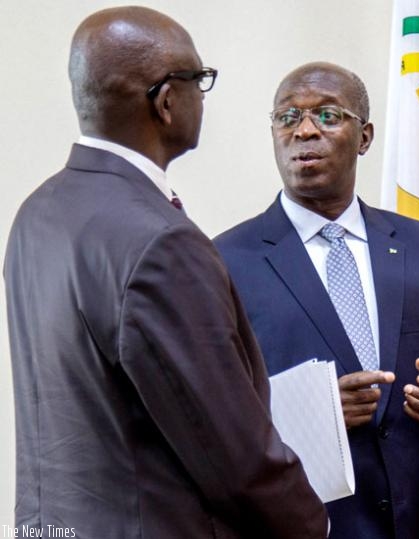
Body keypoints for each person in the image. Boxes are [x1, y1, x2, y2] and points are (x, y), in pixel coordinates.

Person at [4, 7, 327, 538]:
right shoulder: (162, 242)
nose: (203, 95)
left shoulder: (37, 213)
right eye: (199, 79)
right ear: (166, 102)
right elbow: (234, 455)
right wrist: (315, 525)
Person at [214, 61, 419, 539]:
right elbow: (211, 416)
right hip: (305, 525)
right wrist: (315, 411)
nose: (305, 130)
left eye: (328, 116)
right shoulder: (225, 260)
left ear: (365, 137)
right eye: (287, 118)